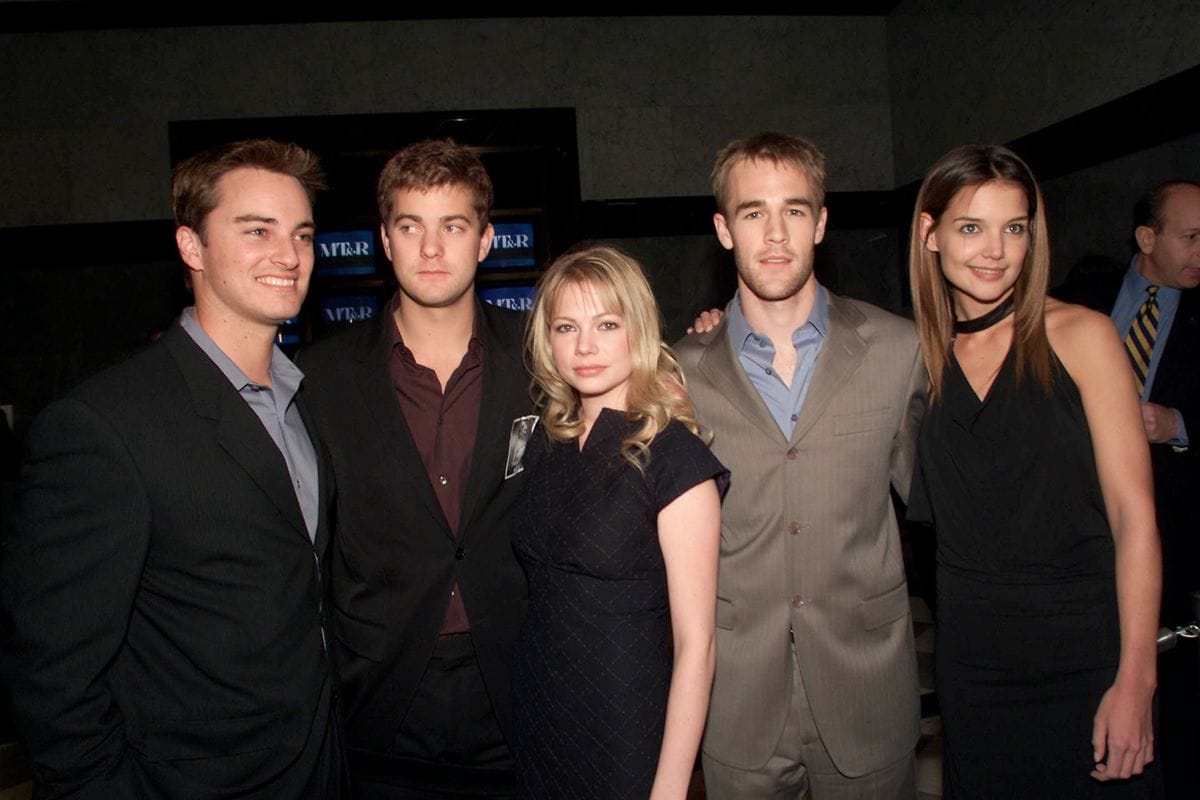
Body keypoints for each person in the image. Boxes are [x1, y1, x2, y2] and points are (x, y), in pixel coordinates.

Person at [0, 139, 343, 798]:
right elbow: (53, 679)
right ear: (191, 248)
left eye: (301, 233)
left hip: (318, 768)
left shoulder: (303, 401)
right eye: (257, 231)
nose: (288, 255)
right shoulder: (103, 427)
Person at [675, 132, 926, 799]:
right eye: (754, 212)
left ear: (820, 221)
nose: (776, 233)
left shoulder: (896, 351)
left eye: (794, 209)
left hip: (867, 689)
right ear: (724, 230)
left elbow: (945, 504)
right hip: (735, 702)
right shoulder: (678, 374)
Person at [907, 144, 1160, 798]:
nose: (995, 249)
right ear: (930, 235)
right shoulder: (922, 360)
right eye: (971, 227)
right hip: (974, 667)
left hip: (1085, 657)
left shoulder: (1082, 335)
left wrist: (1136, 679)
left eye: (1013, 228)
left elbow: (1135, 519)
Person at [297, 139, 531, 798]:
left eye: (452, 226)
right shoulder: (320, 379)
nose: (431, 248)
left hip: (516, 687)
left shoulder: (543, 359)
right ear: (384, 240)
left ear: (485, 240)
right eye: (411, 226)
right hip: (378, 695)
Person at [512, 244, 725, 799]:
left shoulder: (675, 459)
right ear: (546, 339)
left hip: (624, 728)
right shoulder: (543, 442)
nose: (584, 346)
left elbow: (697, 643)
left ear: (639, 329)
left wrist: (672, 788)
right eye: (566, 326)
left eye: (607, 324)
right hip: (539, 721)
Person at [1052, 180, 1200, 799]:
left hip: (1170, 535)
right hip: (1070, 533)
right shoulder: (1082, 297)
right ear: (1148, 238)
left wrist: (1177, 425)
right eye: (1191, 237)